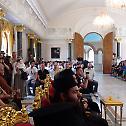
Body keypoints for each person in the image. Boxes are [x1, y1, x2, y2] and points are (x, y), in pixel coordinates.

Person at [30, 69, 108, 126]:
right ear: (63, 96)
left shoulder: (69, 103)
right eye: (75, 92)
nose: (80, 94)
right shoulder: (67, 114)